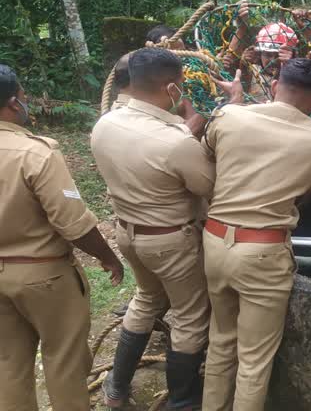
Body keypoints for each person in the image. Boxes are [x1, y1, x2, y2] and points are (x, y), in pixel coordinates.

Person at [201, 57, 311, 410]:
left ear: (274, 86)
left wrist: (235, 101)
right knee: (253, 361)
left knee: (221, 340)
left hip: (214, 241)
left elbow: (211, 150)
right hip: (261, 253)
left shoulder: (228, 116)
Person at [91, 48, 236, 410]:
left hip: (128, 233)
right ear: (172, 88)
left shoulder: (106, 122)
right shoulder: (174, 142)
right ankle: (183, 402)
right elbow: (209, 186)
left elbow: (157, 150)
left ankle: (117, 387)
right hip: (171, 241)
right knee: (189, 317)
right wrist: (228, 110)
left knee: (147, 298)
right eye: (183, 86)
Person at [0, 64, 124, 411]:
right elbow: (71, 222)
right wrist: (108, 255)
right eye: (24, 96)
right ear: (13, 102)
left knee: (8, 363)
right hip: (44, 274)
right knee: (65, 361)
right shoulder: (35, 152)